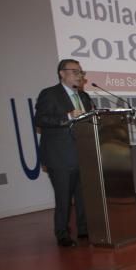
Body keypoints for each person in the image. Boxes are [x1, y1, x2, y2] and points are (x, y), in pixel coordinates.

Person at [33, 58, 93, 247]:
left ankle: (84, 229)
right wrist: (67, 116)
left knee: (84, 196)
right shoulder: (50, 94)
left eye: (81, 72)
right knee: (64, 197)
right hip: (59, 155)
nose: (79, 76)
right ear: (62, 73)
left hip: (83, 153)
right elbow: (40, 120)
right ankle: (62, 234)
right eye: (75, 72)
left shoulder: (84, 97)